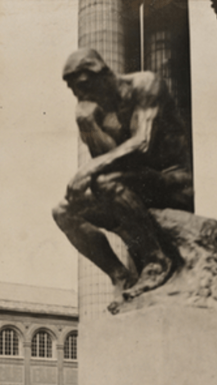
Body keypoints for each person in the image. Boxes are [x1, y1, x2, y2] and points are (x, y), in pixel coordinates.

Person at [53, 48, 193, 313]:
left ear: (103, 74)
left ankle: (156, 260)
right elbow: (110, 159)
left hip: (172, 181)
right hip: (134, 184)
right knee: (63, 211)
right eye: (75, 91)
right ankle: (121, 276)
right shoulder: (95, 111)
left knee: (104, 181)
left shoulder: (145, 84)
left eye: (84, 85)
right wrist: (89, 126)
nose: (81, 95)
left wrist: (90, 169)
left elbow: (143, 144)